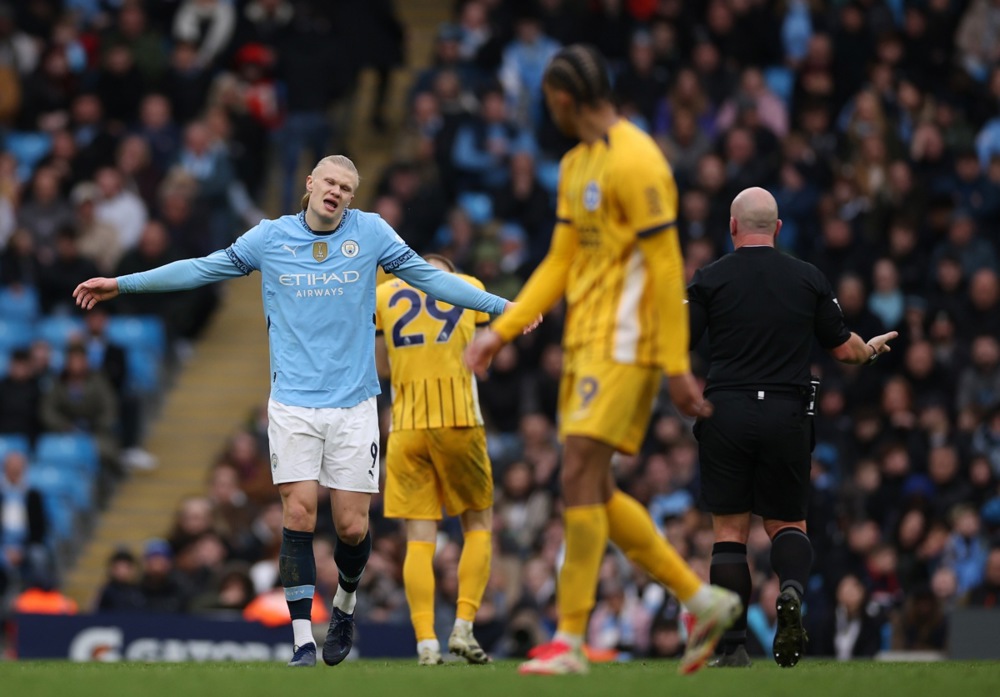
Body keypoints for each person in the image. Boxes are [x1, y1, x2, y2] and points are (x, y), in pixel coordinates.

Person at [73, 155, 514, 669]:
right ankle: (303, 638)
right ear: (309, 184)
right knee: (299, 512)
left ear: (352, 196)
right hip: (293, 404)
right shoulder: (269, 238)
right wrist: (122, 283)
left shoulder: (370, 233)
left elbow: (432, 280)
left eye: (347, 187)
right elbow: (200, 268)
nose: (337, 192)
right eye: (330, 181)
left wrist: (504, 308)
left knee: (351, 527)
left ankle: (344, 606)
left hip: (354, 404)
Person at [465, 44, 741, 677]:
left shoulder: (639, 161)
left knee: (576, 475)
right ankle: (703, 599)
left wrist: (675, 364)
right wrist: (499, 331)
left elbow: (667, 264)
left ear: (563, 99)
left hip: (629, 344)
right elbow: (561, 260)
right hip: (587, 343)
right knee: (592, 486)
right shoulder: (575, 165)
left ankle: (569, 640)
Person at [685, 187, 898, 668]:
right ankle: (793, 592)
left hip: (727, 411)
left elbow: (678, 344)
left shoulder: (710, 278)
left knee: (729, 532)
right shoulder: (808, 278)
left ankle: (733, 646)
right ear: (777, 229)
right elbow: (844, 349)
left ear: (733, 227)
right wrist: (871, 348)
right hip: (787, 411)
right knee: (787, 523)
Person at [374, 254, 495, 666]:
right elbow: (485, 358)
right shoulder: (471, 287)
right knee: (478, 524)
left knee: (419, 539)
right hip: (459, 420)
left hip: (406, 428)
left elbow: (379, 366)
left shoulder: (384, 295)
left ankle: (426, 642)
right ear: (451, 273)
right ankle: (463, 626)